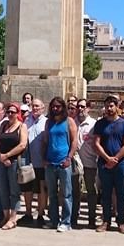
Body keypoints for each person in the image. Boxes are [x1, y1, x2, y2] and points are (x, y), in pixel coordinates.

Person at [93, 95, 124, 234]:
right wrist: (107, 158)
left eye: (111, 106)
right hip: (104, 164)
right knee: (106, 194)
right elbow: (96, 143)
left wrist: (115, 159)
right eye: (107, 106)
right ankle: (106, 221)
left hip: (120, 164)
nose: (109, 109)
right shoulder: (100, 124)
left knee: (121, 194)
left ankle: (121, 222)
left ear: (117, 107)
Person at [41, 97, 78, 232]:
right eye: (53, 106)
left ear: (63, 107)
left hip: (64, 163)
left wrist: (69, 158)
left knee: (67, 194)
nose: (55, 109)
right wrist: (43, 157)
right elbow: (45, 141)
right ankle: (53, 220)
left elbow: (74, 142)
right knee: (52, 194)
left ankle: (66, 222)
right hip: (50, 162)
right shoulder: (48, 122)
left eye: (58, 106)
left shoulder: (69, 121)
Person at [0, 102, 28, 230]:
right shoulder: (4, 125)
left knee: (14, 191)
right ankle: (6, 215)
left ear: (17, 113)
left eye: (13, 112)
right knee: (3, 189)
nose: (10, 114)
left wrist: (7, 155)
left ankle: (13, 218)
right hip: (2, 161)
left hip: (15, 162)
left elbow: (22, 145)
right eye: (8, 112)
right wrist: (1, 156)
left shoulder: (21, 126)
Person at [20, 97, 48, 226]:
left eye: (38, 106)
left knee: (42, 189)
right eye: (33, 106)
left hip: (41, 162)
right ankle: (28, 213)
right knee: (27, 189)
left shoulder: (46, 122)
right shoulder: (27, 121)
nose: (35, 108)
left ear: (43, 108)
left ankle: (41, 214)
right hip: (27, 160)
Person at [74, 98, 98, 229]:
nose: (80, 109)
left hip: (90, 163)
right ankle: (74, 216)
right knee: (75, 191)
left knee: (91, 191)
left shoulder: (93, 124)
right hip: (76, 164)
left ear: (88, 108)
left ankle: (91, 218)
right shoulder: (73, 123)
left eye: (83, 107)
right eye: (79, 106)